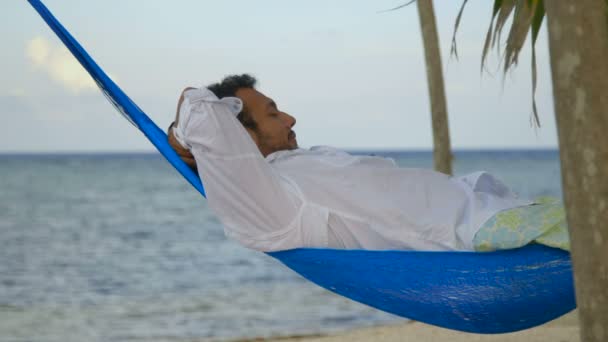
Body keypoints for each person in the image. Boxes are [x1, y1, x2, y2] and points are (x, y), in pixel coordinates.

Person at [168, 74, 568, 252]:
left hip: (502, 209)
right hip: (478, 233)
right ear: (240, 135)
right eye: (273, 114)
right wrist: (182, 134)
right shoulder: (267, 202)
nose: (290, 119)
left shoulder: (307, 161)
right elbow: (199, 109)